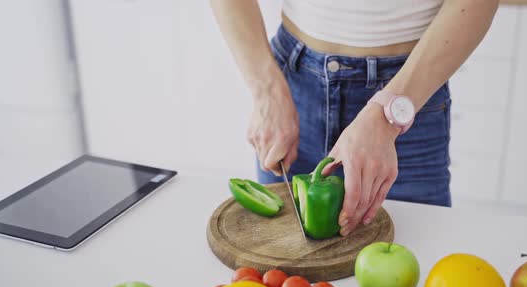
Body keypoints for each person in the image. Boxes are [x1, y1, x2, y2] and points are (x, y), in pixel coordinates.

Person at [210, 0, 498, 236]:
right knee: (278, 265)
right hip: (294, 85)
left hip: (410, 89)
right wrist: (267, 90)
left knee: (418, 262)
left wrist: (387, 114)